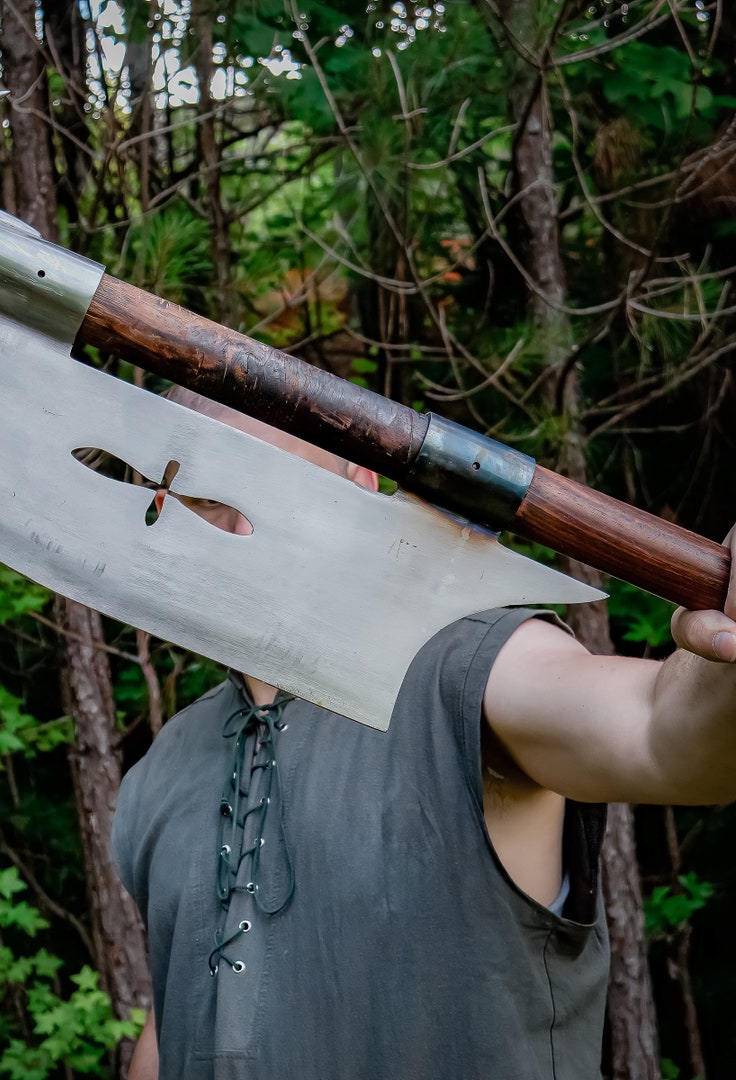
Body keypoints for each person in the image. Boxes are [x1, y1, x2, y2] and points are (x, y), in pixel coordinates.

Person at [111, 391, 736, 1080]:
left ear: (361, 484)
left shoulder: (469, 670)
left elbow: (663, 734)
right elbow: (179, 1020)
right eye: (198, 498)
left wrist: (723, 669)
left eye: (264, 481)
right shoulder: (164, 764)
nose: (230, 525)